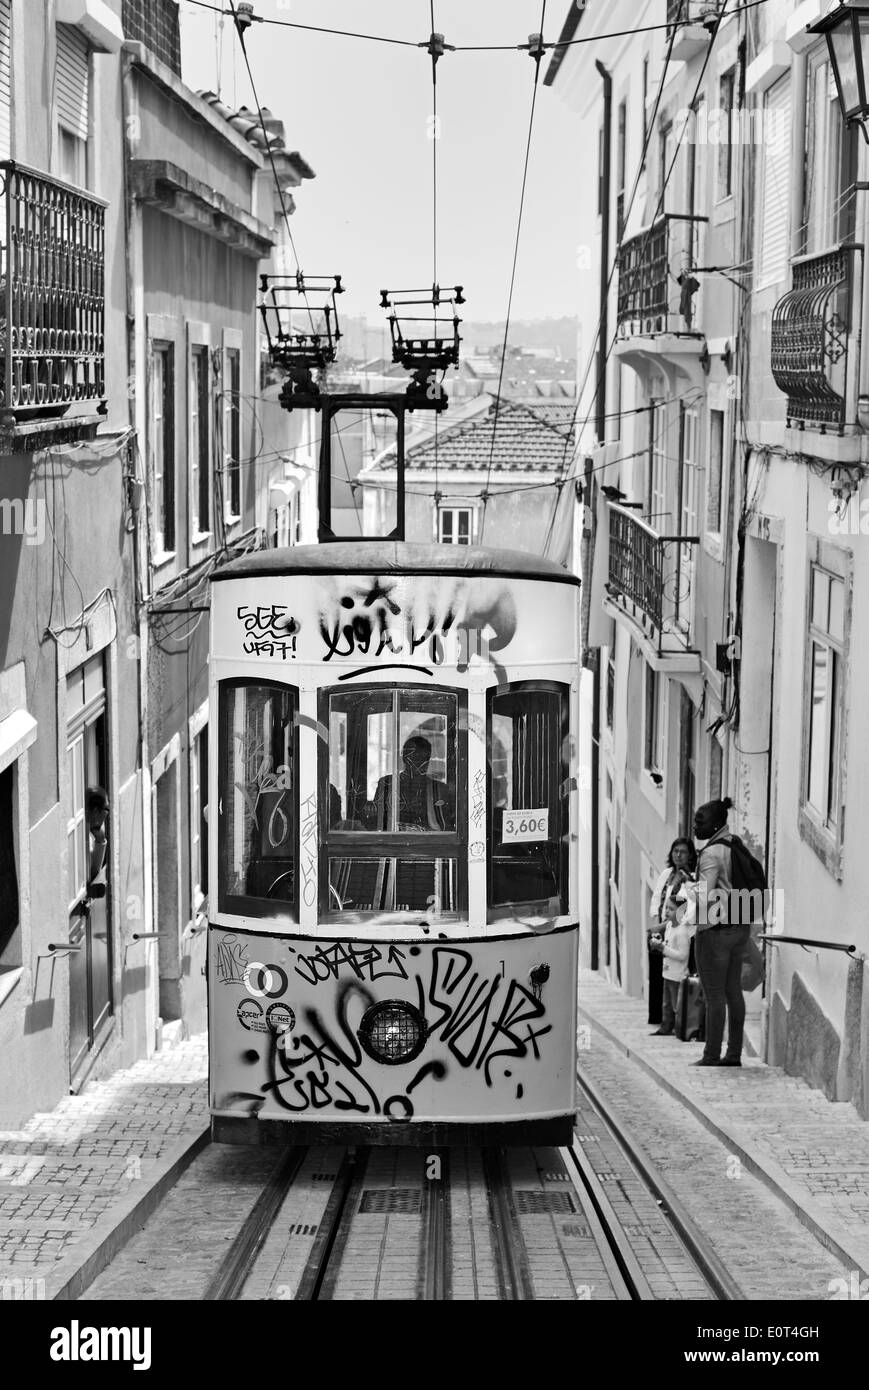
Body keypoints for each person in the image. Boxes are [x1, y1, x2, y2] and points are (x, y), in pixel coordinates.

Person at [687, 795, 750, 1067]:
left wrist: (685, 890)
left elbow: (704, 895)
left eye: (700, 822)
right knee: (734, 992)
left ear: (715, 826)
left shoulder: (711, 853)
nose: (694, 827)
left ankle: (711, 1054)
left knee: (714, 996)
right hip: (739, 927)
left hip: (715, 930)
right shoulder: (734, 843)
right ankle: (733, 1053)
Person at [648, 838, 697, 1027]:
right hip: (662, 930)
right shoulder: (667, 873)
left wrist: (661, 927)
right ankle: (658, 1017)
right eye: (675, 851)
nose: (678, 855)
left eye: (683, 852)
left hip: (680, 933)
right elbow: (656, 898)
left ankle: (676, 1022)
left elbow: (688, 909)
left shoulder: (693, 879)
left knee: (674, 978)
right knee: (658, 975)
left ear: (690, 855)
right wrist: (656, 923)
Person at [364, 735, 453, 832]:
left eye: (424, 758)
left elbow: (447, 827)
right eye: (415, 758)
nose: (420, 763)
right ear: (405, 759)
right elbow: (376, 823)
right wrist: (370, 812)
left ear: (428, 760)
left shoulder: (439, 789)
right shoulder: (387, 784)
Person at [649, 894, 694, 1035]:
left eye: (671, 909)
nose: (667, 911)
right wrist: (659, 941)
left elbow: (682, 955)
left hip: (678, 974)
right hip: (667, 971)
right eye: (667, 908)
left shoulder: (682, 931)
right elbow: (668, 944)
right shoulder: (669, 926)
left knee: (676, 1005)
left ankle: (679, 1028)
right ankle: (665, 1027)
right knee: (666, 1003)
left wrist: (663, 948)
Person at [85, 786, 109, 900]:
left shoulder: (89, 832)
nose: (107, 814)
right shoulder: (85, 839)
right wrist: (99, 841)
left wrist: (100, 839)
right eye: (106, 809)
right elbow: (93, 873)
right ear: (95, 811)